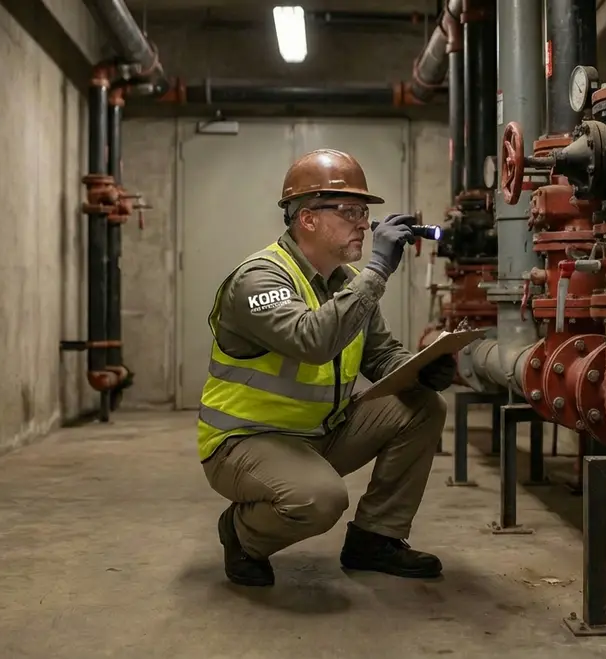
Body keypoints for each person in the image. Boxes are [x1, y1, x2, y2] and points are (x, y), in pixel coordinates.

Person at [195, 148, 457, 587]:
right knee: (320, 499)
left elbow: (381, 355)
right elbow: (311, 341)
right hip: (245, 442)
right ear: (308, 219)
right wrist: (378, 271)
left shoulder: (346, 283)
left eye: (364, 211)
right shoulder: (259, 279)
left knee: (422, 407)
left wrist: (421, 369)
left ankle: (375, 539)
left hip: (318, 433)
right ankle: (241, 535)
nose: (364, 223)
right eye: (350, 211)